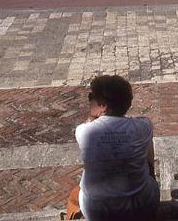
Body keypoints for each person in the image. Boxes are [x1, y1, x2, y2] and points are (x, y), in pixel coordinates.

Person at [65, 75, 159, 221]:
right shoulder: (143, 126)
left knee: (76, 192)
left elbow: (89, 125)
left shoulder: (84, 132)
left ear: (103, 105)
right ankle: (149, 178)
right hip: (142, 206)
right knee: (146, 145)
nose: (89, 100)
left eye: (91, 97)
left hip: (98, 213)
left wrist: (91, 116)